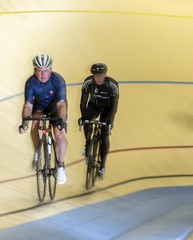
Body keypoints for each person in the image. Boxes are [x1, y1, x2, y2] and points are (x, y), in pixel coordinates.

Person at [19, 54, 68, 184]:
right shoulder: (30, 83)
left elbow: (61, 105)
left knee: (59, 137)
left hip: (56, 108)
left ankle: (61, 166)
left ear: (51, 69)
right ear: (34, 70)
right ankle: (37, 151)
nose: (43, 74)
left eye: (46, 70)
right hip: (39, 108)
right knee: (34, 124)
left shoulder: (58, 81)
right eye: (39, 71)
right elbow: (28, 105)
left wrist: (61, 122)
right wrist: (24, 122)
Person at [78, 63, 119, 178]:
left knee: (104, 135)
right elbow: (83, 102)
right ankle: (87, 144)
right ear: (92, 76)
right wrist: (83, 116)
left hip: (107, 109)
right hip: (94, 106)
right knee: (87, 120)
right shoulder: (88, 83)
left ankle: (102, 166)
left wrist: (110, 120)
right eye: (96, 76)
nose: (98, 78)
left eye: (101, 76)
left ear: (105, 75)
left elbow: (114, 106)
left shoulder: (112, 85)